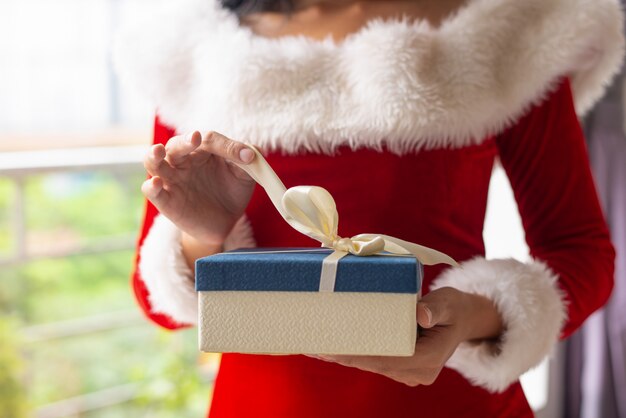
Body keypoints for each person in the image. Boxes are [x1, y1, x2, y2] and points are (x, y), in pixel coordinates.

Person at [114, 0, 623, 416]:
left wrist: (471, 316)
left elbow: (580, 253)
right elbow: (154, 296)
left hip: (453, 405)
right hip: (260, 404)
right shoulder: (195, 49)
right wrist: (204, 236)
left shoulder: (508, 31)